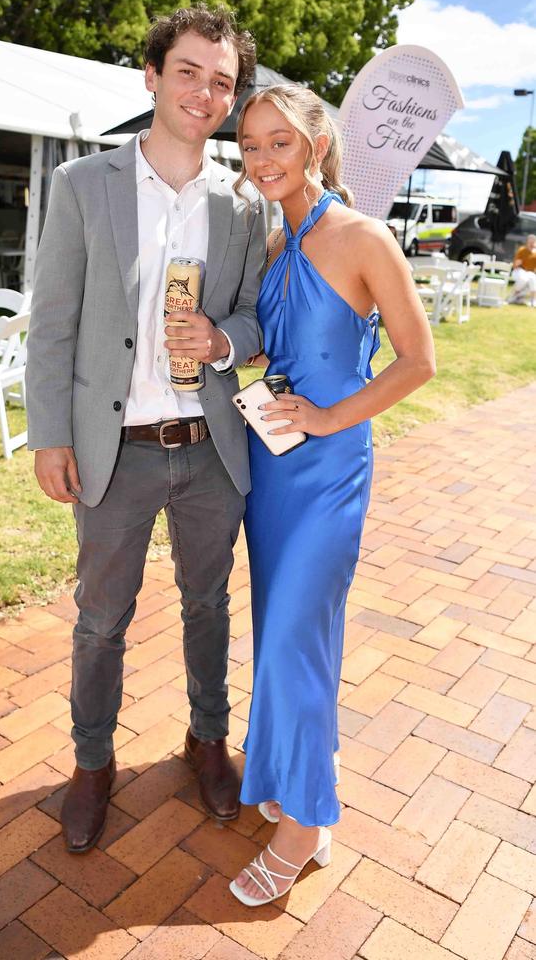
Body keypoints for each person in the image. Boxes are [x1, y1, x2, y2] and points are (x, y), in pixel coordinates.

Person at [25, 5, 265, 853]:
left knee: (210, 605)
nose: (206, 92)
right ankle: (93, 765)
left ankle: (207, 742)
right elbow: (51, 322)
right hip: (114, 454)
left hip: (209, 452)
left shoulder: (243, 202)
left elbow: (257, 317)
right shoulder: (83, 186)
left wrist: (226, 338)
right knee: (101, 620)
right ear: (154, 76)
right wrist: (48, 433)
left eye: (223, 82)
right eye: (191, 71)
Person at [228, 84, 436, 906]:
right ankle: (293, 771)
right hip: (270, 468)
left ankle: (305, 828)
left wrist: (328, 416)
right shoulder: (271, 244)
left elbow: (418, 362)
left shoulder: (361, 235)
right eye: (249, 146)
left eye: (279, 141)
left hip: (329, 471)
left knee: (293, 640)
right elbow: (276, 354)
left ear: (316, 142)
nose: (264, 158)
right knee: (288, 636)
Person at [509, 234, 536, 305]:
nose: (531, 244)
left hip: (530, 272)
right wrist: (517, 263)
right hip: (520, 270)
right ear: (527, 242)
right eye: (530, 242)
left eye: (533, 242)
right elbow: (515, 265)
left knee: (533, 280)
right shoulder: (522, 250)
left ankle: (533, 301)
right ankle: (514, 295)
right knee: (523, 279)